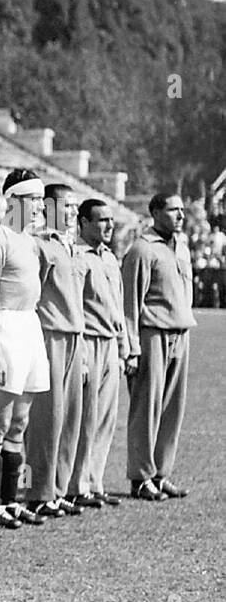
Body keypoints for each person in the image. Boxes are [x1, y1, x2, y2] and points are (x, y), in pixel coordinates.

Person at [0, 170, 51, 530]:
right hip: (4, 325)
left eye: (40, 200)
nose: (40, 206)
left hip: (29, 325)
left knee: (20, 422)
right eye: (33, 200)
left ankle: (11, 500)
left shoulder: (30, 241)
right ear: (13, 200)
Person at [123, 192, 196, 501]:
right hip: (152, 333)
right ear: (155, 212)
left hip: (181, 333)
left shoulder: (182, 247)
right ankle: (141, 477)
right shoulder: (142, 249)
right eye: (173, 210)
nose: (180, 215)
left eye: (182, 210)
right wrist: (131, 347)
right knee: (146, 408)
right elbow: (130, 303)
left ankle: (161, 472)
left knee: (172, 409)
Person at [23, 183, 87, 517]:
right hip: (49, 335)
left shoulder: (71, 246)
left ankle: (58, 489)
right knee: (44, 419)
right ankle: (34, 490)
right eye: (67, 206)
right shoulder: (40, 246)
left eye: (75, 208)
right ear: (48, 208)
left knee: (69, 417)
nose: (73, 213)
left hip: (75, 336)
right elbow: (32, 296)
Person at [67, 198, 131, 507]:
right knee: (85, 419)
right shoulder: (77, 257)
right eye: (101, 220)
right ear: (83, 222)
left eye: (110, 220)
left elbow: (117, 306)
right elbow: (76, 308)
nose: (109, 225)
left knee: (106, 419)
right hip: (88, 342)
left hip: (109, 344)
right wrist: (79, 354)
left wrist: (123, 347)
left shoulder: (109, 257)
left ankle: (95, 481)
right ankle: (76, 485)